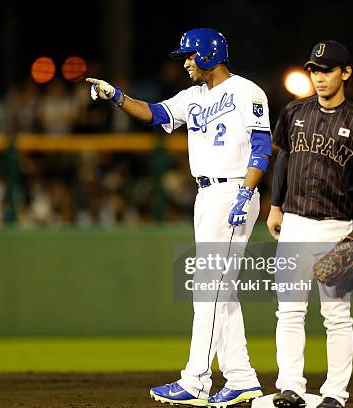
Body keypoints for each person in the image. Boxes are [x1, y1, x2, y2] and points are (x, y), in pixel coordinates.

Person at [87, 28, 272, 407]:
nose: (185, 63)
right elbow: (154, 114)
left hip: (233, 190)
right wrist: (117, 96)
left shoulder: (247, 91)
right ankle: (241, 379)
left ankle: (197, 381)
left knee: (209, 290)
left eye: (189, 56)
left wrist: (247, 191)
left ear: (208, 55)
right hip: (206, 194)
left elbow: (262, 146)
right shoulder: (194, 96)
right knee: (222, 291)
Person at [267, 41, 353, 408]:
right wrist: (275, 206)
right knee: (289, 311)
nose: (319, 77)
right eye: (314, 70)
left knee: (336, 317)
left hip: (337, 227)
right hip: (293, 223)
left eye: (327, 70)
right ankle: (290, 386)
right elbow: (284, 161)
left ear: (346, 73)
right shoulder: (294, 112)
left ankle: (335, 394)